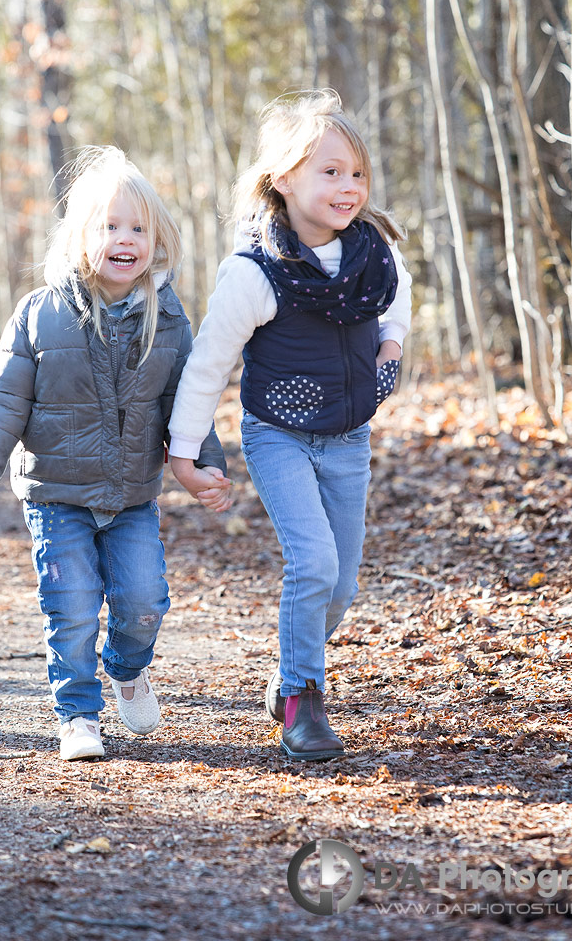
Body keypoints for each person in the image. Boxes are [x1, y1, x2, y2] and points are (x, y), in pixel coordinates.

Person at [0, 146, 231, 761]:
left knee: (144, 601)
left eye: (138, 228)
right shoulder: (40, 314)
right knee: (71, 606)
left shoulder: (168, 316)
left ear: (156, 241)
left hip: (131, 496)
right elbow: (2, 401)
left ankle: (127, 669)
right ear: (80, 236)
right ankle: (77, 712)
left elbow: (189, 400)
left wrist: (205, 465)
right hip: (57, 495)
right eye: (109, 227)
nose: (124, 240)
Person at [169, 90, 411, 761]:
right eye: (328, 171)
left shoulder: (374, 253)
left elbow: (399, 302)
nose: (347, 186)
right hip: (278, 435)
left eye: (356, 172)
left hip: (348, 437)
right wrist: (185, 454)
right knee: (312, 566)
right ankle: (305, 700)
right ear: (283, 179)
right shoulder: (253, 272)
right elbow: (207, 365)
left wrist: (389, 352)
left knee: (341, 585)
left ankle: (286, 671)